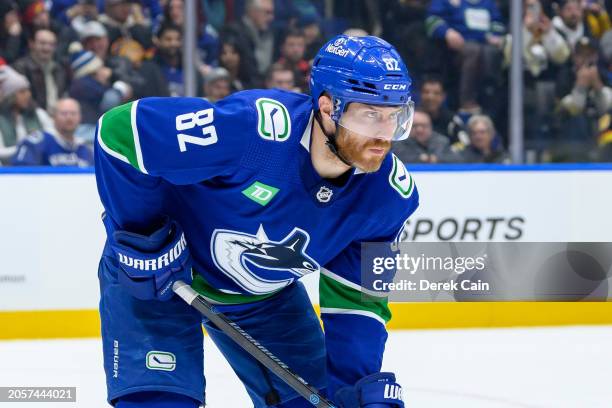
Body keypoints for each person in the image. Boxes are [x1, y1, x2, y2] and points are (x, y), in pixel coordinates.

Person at [95, 35, 417, 408]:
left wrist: (355, 389)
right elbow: (120, 133)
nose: (384, 134)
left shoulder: (388, 197)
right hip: (156, 277)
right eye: (370, 114)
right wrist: (141, 236)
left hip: (263, 298)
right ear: (329, 107)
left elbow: (356, 303)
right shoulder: (252, 130)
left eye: (394, 116)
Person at [12, 98, 93, 166]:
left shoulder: (85, 149)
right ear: (53, 117)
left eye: (73, 113)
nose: (69, 118)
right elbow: (21, 170)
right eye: (64, 113)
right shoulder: (38, 142)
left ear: (80, 117)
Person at [0, 65, 53, 164]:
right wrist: (24, 148)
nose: (28, 95)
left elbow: (52, 138)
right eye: (22, 92)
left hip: (38, 168)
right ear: (10, 96)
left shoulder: (39, 115)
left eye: (28, 90)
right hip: (8, 170)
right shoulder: (1, 119)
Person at [13, 28, 69, 112]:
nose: (47, 48)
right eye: (42, 43)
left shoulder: (60, 69)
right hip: (33, 118)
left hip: (58, 117)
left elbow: (63, 95)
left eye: (51, 44)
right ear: (31, 44)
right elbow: (23, 100)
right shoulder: (20, 67)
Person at [393, 109, 457, 163]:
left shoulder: (442, 141)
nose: (419, 130)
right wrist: (419, 158)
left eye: (424, 126)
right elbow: (395, 159)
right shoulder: (399, 142)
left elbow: (458, 159)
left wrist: (437, 159)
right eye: (415, 126)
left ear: (431, 127)